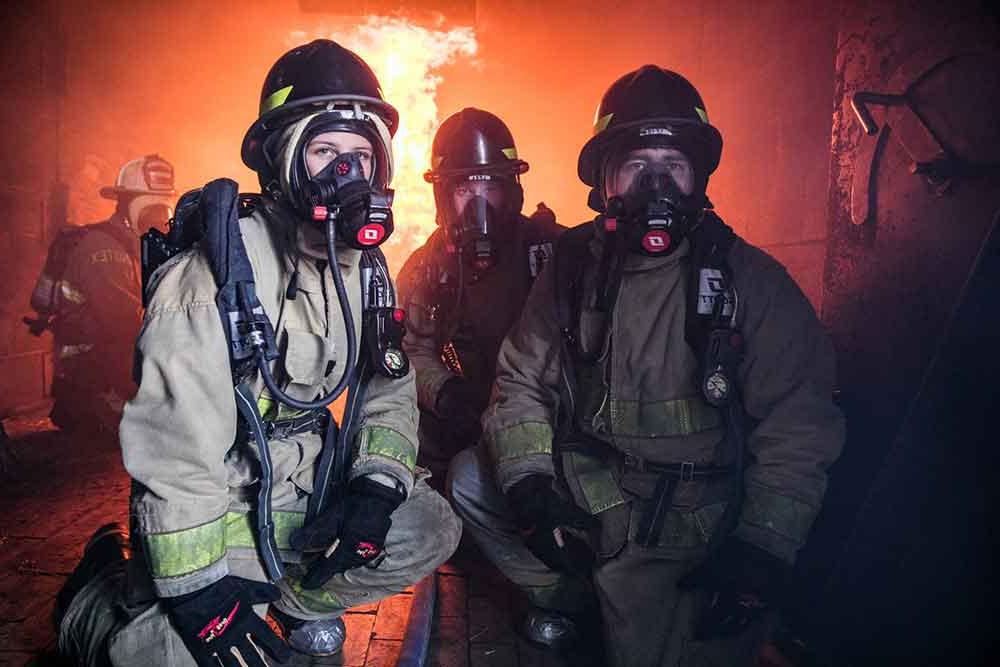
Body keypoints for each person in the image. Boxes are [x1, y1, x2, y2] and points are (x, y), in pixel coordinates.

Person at [55, 39, 461, 665]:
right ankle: (92, 609)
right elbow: (175, 460)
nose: (345, 175)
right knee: (169, 655)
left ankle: (288, 604)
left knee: (428, 526)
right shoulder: (209, 279)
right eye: (325, 152)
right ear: (282, 163)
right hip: (223, 504)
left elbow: (389, 388)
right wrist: (202, 600)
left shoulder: (365, 270)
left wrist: (376, 489)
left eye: (360, 157)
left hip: (307, 493)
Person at [448, 65, 845, 666]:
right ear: (604, 182)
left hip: (691, 520)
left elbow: (800, 426)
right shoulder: (570, 267)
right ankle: (573, 595)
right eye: (636, 166)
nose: (655, 188)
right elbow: (522, 380)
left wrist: (762, 547)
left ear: (697, 181)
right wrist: (530, 486)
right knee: (472, 477)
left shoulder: (750, 284)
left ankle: (623, 609)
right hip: (591, 492)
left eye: (673, 168)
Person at [396, 107, 564, 484]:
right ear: (443, 197)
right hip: (466, 413)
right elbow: (408, 348)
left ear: (512, 191)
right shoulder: (428, 267)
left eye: (490, 188)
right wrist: (444, 391)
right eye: (465, 190)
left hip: (548, 411)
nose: (479, 205)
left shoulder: (554, 252)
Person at [26, 155, 175, 434]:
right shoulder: (104, 251)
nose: (159, 220)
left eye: (163, 211)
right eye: (151, 209)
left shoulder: (130, 246)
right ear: (127, 205)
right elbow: (124, 324)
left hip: (99, 381)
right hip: (93, 387)